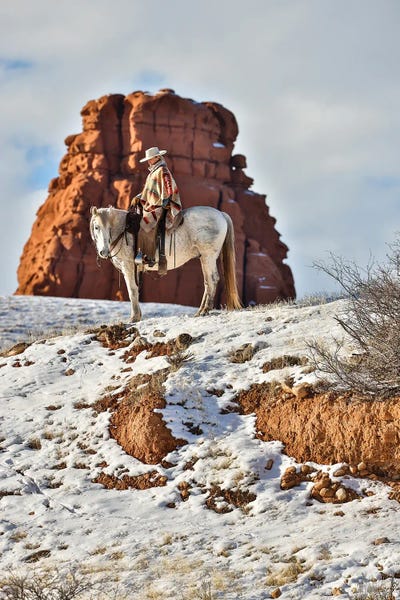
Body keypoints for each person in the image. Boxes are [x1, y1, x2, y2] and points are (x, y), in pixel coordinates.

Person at [131, 147, 182, 273]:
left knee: (145, 225)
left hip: (161, 205)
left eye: (150, 159)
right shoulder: (153, 171)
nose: (148, 161)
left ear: (157, 157)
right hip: (153, 205)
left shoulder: (162, 170)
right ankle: (142, 253)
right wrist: (138, 197)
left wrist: (167, 199)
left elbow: (169, 185)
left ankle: (149, 256)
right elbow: (148, 191)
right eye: (148, 159)